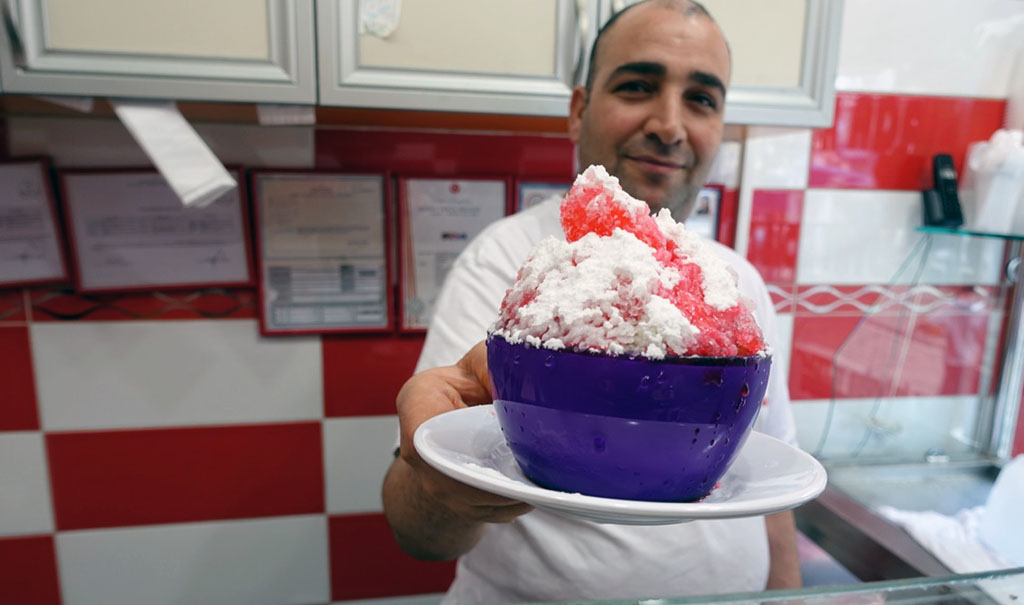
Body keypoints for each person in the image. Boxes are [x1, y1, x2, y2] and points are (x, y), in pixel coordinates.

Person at [382, 1, 802, 602]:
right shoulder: (513, 266)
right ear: (578, 110)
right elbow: (419, 532)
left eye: (702, 99)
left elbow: (771, 485)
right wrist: (434, 482)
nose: (669, 124)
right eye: (637, 86)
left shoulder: (735, 283)